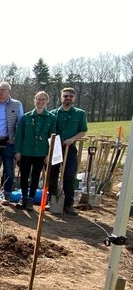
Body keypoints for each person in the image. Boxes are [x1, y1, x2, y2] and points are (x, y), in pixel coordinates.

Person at [48, 87, 88, 215]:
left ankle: (68, 204)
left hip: (70, 148)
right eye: (65, 96)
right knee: (52, 175)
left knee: (69, 175)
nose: (68, 98)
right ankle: (52, 200)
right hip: (55, 148)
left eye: (70, 96)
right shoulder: (53, 113)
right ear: (61, 97)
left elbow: (83, 130)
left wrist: (72, 139)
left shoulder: (80, 114)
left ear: (74, 98)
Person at [14, 91, 56, 210]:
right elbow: (19, 135)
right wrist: (17, 151)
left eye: (43, 100)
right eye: (38, 99)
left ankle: (31, 199)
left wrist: (49, 154)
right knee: (24, 176)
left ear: (47, 102)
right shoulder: (26, 117)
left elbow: (52, 137)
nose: (40, 102)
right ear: (35, 100)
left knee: (35, 176)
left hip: (41, 152)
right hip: (26, 151)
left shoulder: (51, 118)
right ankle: (23, 197)